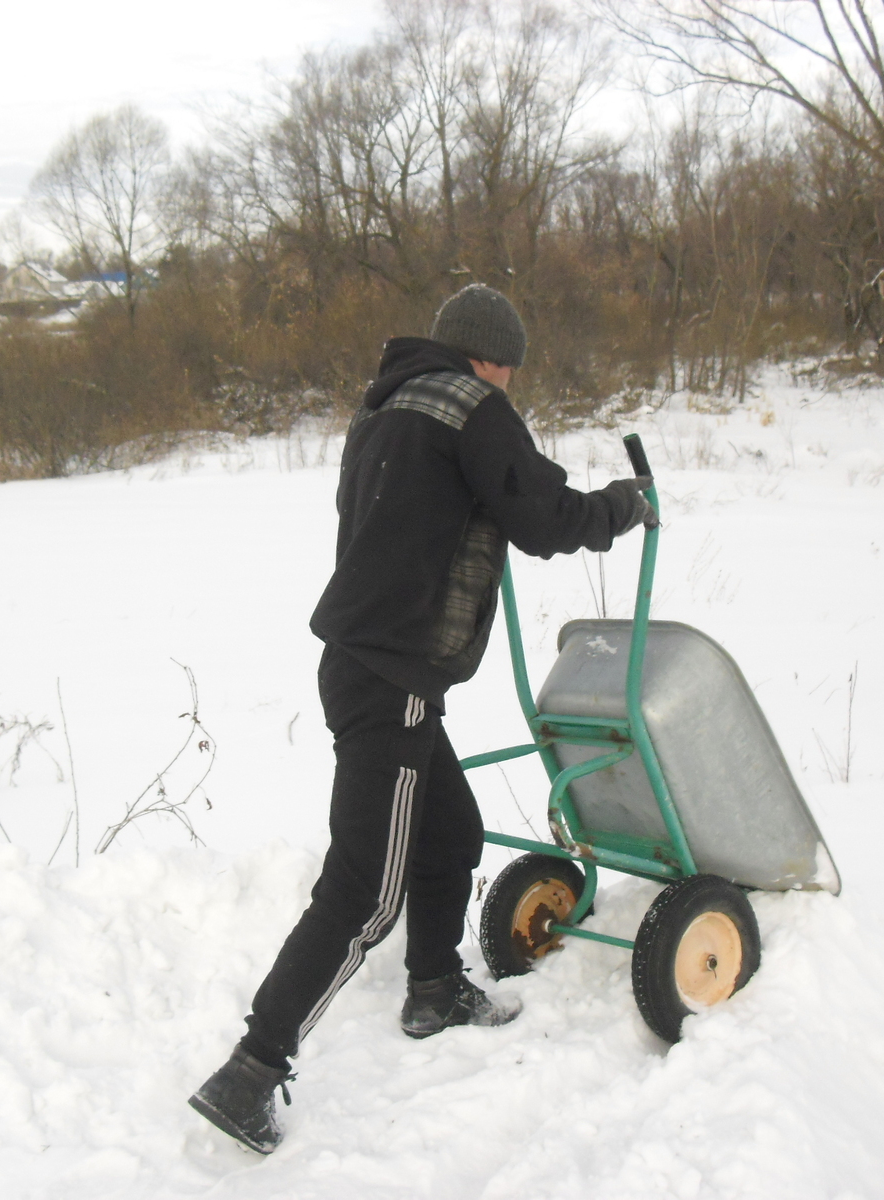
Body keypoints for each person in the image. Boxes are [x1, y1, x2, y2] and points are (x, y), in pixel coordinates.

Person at [188, 284, 656, 1154]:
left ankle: (435, 987)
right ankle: (250, 1069)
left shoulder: (387, 408)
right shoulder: (471, 406)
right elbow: (545, 517)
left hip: (360, 662)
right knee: (365, 887)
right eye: (509, 363)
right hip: (393, 672)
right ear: (487, 354)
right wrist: (624, 507)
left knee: (450, 834)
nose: (511, 379)